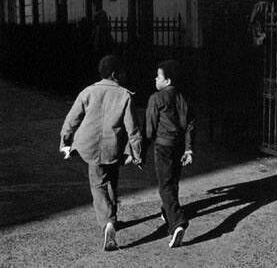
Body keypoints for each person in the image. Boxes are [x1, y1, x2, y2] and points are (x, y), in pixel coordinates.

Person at [59, 55, 144, 251]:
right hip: (114, 147)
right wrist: (137, 154)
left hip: (90, 147)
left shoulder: (88, 92)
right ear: (115, 74)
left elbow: (71, 119)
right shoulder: (125, 95)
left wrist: (65, 140)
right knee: (112, 181)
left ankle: (107, 222)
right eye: (122, 72)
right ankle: (112, 218)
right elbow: (133, 129)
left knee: (97, 185)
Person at [145, 59, 194, 248]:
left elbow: (149, 129)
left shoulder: (156, 99)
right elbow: (190, 124)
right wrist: (189, 148)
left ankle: (177, 222)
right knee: (173, 181)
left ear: (168, 80)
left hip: (163, 145)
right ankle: (167, 211)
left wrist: (140, 151)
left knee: (164, 185)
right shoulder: (183, 97)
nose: (155, 79)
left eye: (159, 76)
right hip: (179, 145)